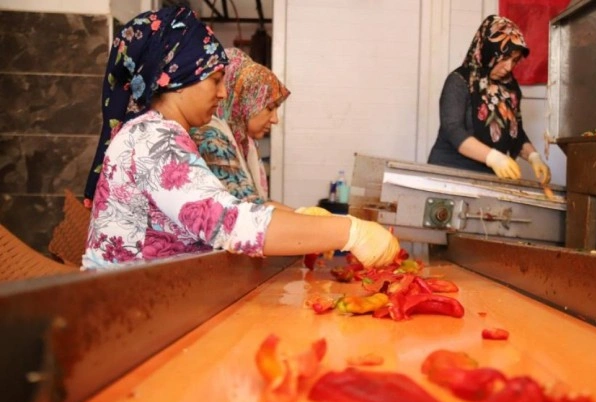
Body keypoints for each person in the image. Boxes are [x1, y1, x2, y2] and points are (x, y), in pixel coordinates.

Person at [81, 6, 399, 270]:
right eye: (215, 80)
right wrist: (350, 231)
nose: (223, 93)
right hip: (127, 308)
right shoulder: (153, 141)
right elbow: (227, 223)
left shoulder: (159, 133)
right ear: (176, 78)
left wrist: (310, 225)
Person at [427, 15, 551, 184]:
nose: (509, 67)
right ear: (488, 51)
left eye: (514, 60)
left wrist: (533, 157)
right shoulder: (459, 81)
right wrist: (493, 158)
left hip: (487, 180)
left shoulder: (510, 88)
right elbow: (453, 130)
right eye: (504, 58)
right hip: (450, 174)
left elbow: (516, 133)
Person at [190, 48, 289, 208]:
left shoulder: (244, 142)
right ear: (244, 102)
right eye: (270, 108)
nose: (275, 119)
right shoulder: (210, 138)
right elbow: (249, 207)